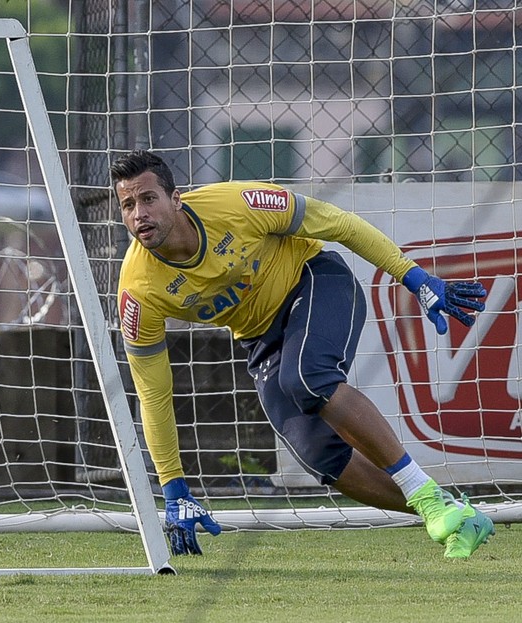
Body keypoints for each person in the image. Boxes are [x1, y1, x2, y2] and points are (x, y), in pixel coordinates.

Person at [110, 149, 493, 559]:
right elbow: (153, 394)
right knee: (318, 455)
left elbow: (339, 223)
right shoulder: (137, 292)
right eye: (128, 205)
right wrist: (174, 487)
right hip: (259, 338)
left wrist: (414, 277)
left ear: (176, 199)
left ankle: (426, 495)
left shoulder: (238, 204)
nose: (139, 214)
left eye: (148, 199)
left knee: (306, 378)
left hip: (314, 280)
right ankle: (450, 510)